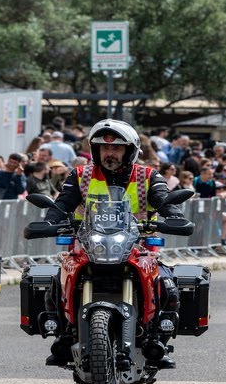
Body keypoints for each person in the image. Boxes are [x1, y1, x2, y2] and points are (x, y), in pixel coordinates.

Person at [47, 118, 191, 369]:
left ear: (129, 151)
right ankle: (62, 337)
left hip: (139, 247)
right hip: (87, 246)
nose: (109, 153)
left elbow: (163, 200)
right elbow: (63, 203)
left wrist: (175, 217)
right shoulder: (81, 175)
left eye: (115, 148)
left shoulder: (148, 175)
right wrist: (49, 220)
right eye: (104, 148)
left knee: (168, 285)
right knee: (55, 283)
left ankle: (158, 339)